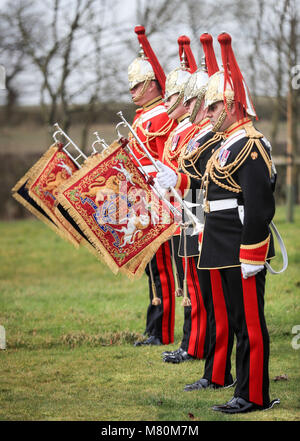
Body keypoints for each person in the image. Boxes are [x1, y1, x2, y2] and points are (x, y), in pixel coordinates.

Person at [159, 32, 280, 413]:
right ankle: (240, 388)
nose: (206, 116)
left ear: (229, 106)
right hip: (222, 242)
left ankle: (253, 394)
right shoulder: (230, 141)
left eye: (212, 109)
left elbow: (259, 206)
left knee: (250, 326)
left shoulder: (251, 143)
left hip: (241, 247)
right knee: (239, 324)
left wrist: (253, 252)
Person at [158, 35, 209, 363]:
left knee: (199, 283)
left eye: (193, 102)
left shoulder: (205, 134)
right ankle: (191, 343)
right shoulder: (192, 131)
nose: (187, 108)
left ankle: (197, 344)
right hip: (186, 207)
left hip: (198, 209)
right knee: (190, 280)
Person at [127, 26, 178, 346]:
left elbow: (160, 162)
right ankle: (153, 327)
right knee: (151, 267)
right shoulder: (144, 114)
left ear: (150, 85)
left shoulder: (158, 115)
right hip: (142, 198)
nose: (131, 90)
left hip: (157, 198)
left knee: (161, 268)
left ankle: (162, 331)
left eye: (137, 85)